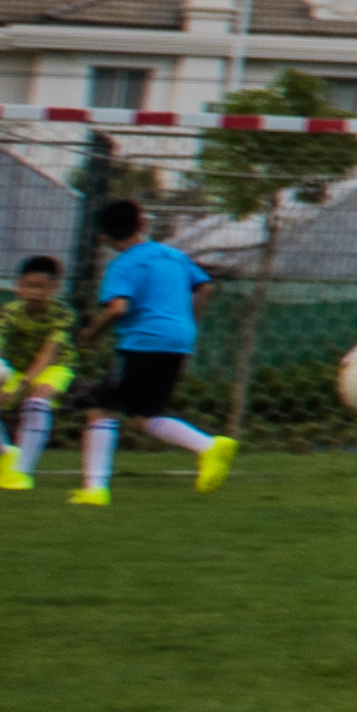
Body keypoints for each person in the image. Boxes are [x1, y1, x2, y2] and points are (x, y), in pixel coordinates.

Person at [70, 192, 233, 500]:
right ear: (141, 223)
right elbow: (205, 286)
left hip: (143, 341)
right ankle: (209, 447)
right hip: (179, 340)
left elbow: (118, 308)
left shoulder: (123, 264)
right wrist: (190, 325)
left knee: (100, 410)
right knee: (144, 415)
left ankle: (94, 490)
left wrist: (90, 334)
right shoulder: (172, 254)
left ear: (103, 237)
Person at [0, 251, 78, 489]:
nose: (35, 292)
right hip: (16, 369)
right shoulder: (7, 313)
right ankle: (4, 454)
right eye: (30, 285)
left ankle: (23, 472)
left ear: (54, 288)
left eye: (42, 287)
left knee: (36, 404)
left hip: (56, 367)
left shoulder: (62, 313)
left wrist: (22, 386)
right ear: (18, 286)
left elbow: (49, 353)